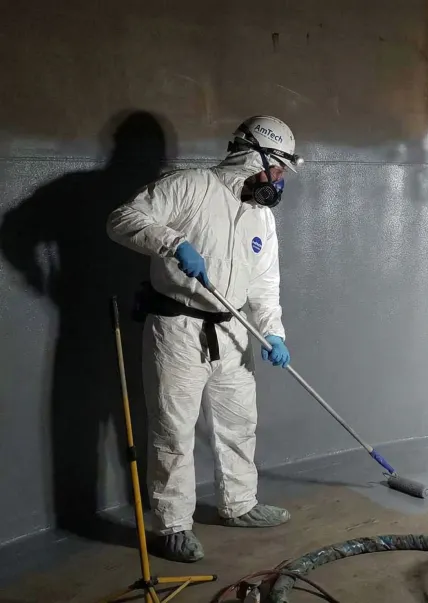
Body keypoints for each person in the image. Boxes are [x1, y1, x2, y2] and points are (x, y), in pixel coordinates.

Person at [106, 115, 302, 561]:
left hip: (233, 332)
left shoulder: (261, 218)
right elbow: (122, 219)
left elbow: (264, 285)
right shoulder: (190, 186)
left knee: (239, 423)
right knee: (173, 430)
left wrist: (273, 333)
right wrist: (173, 243)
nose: (278, 180)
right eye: (277, 169)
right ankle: (173, 525)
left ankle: (240, 504)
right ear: (256, 156)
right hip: (178, 329)